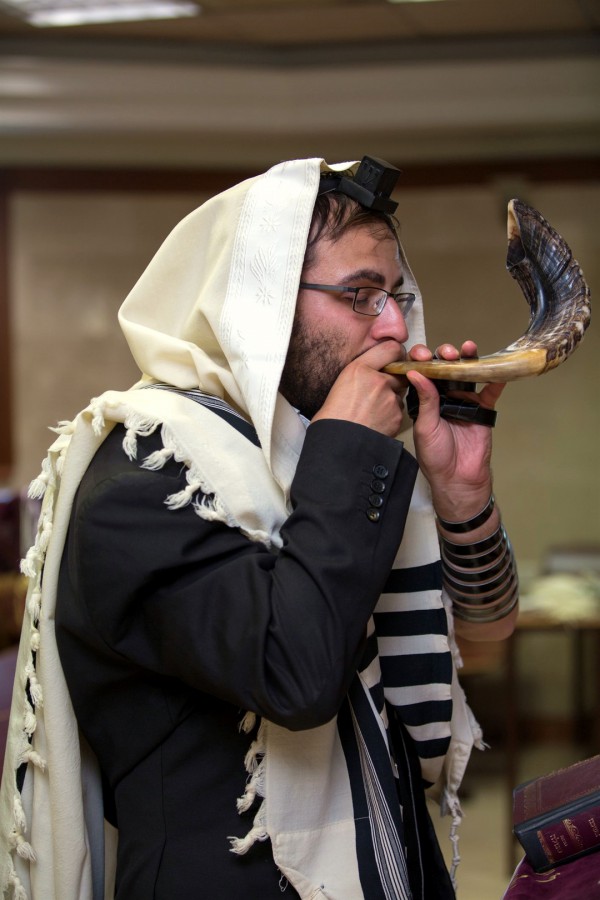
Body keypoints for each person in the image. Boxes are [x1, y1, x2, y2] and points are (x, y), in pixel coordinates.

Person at [0, 157, 518, 900]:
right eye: (360, 295)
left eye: (396, 294)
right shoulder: (142, 481)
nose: (398, 326)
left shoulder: (312, 456)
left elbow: (489, 631)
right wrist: (352, 453)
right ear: (260, 304)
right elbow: (297, 672)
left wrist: (463, 494)